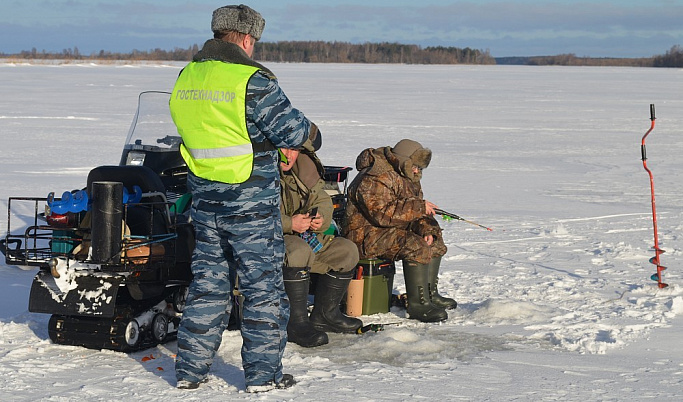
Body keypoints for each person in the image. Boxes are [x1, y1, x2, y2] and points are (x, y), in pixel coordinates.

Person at [169, 4, 318, 392]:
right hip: (249, 204)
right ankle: (262, 376)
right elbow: (295, 131)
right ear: (248, 39)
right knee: (262, 288)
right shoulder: (252, 79)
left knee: (208, 285)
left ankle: (189, 372)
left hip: (205, 202)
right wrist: (312, 136)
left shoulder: (188, 76)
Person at [343, 139, 458, 323]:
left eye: (420, 168)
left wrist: (427, 229)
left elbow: (413, 211)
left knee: (433, 237)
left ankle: (429, 294)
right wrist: (419, 207)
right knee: (415, 245)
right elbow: (382, 213)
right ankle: (418, 305)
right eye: (415, 166)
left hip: (389, 229)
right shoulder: (375, 176)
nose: (417, 171)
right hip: (365, 234)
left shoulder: (409, 177)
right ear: (403, 161)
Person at [279, 142, 362, 348]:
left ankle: (326, 314)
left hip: (303, 235)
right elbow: (253, 215)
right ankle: (295, 323)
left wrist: (320, 218)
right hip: (269, 238)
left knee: (346, 251)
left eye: (294, 150)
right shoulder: (258, 172)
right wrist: (290, 223)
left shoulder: (304, 172)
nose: (289, 155)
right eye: (283, 149)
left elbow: (322, 200)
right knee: (298, 251)